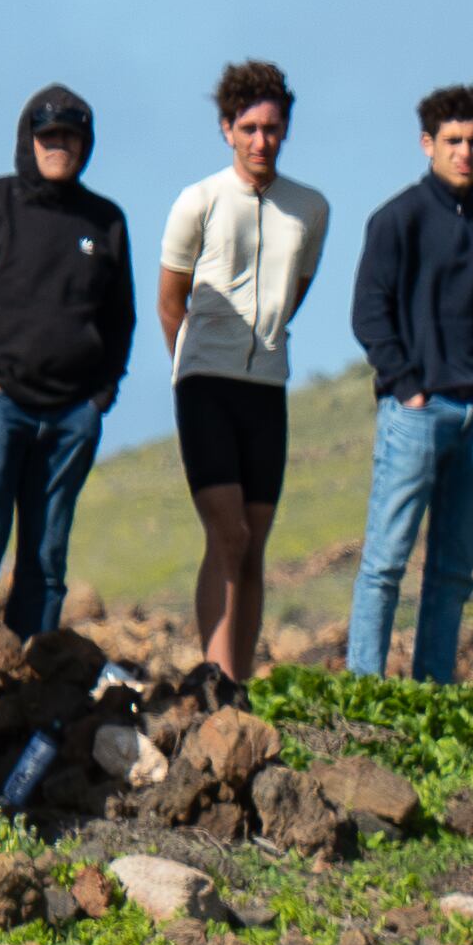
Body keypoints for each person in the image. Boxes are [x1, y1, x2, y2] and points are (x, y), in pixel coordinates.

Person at [0, 86, 136, 639]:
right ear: (28, 140)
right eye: (48, 136)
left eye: (70, 136)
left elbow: (121, 317)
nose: (58, 146)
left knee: (45, 563)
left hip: (71, 418)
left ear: (86, 144)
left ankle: (32, 690)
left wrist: (100, 396)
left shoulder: (105, 221)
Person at [161, 59, 331, 691]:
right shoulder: (198, 201)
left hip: (268, 386)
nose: (263, 141)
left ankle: (244, 681)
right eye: (251, 127)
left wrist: (264, 343)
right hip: (205, 381)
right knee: (226, 532)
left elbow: (297, 289)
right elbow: (169, 298)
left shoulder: (309, 208)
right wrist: (189, 365)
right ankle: (216, 676)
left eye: (274, 128)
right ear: (227, 129)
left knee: (254, 542)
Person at [344, 82, 473, 681]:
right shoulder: (397, 220)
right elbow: (369, 312)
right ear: (428, 144)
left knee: (452, 572)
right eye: (452, 141)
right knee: (386, 563)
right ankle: (365, 690)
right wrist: (407, 387)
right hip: (417, 414)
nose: (464, 152)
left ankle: (435, 693)